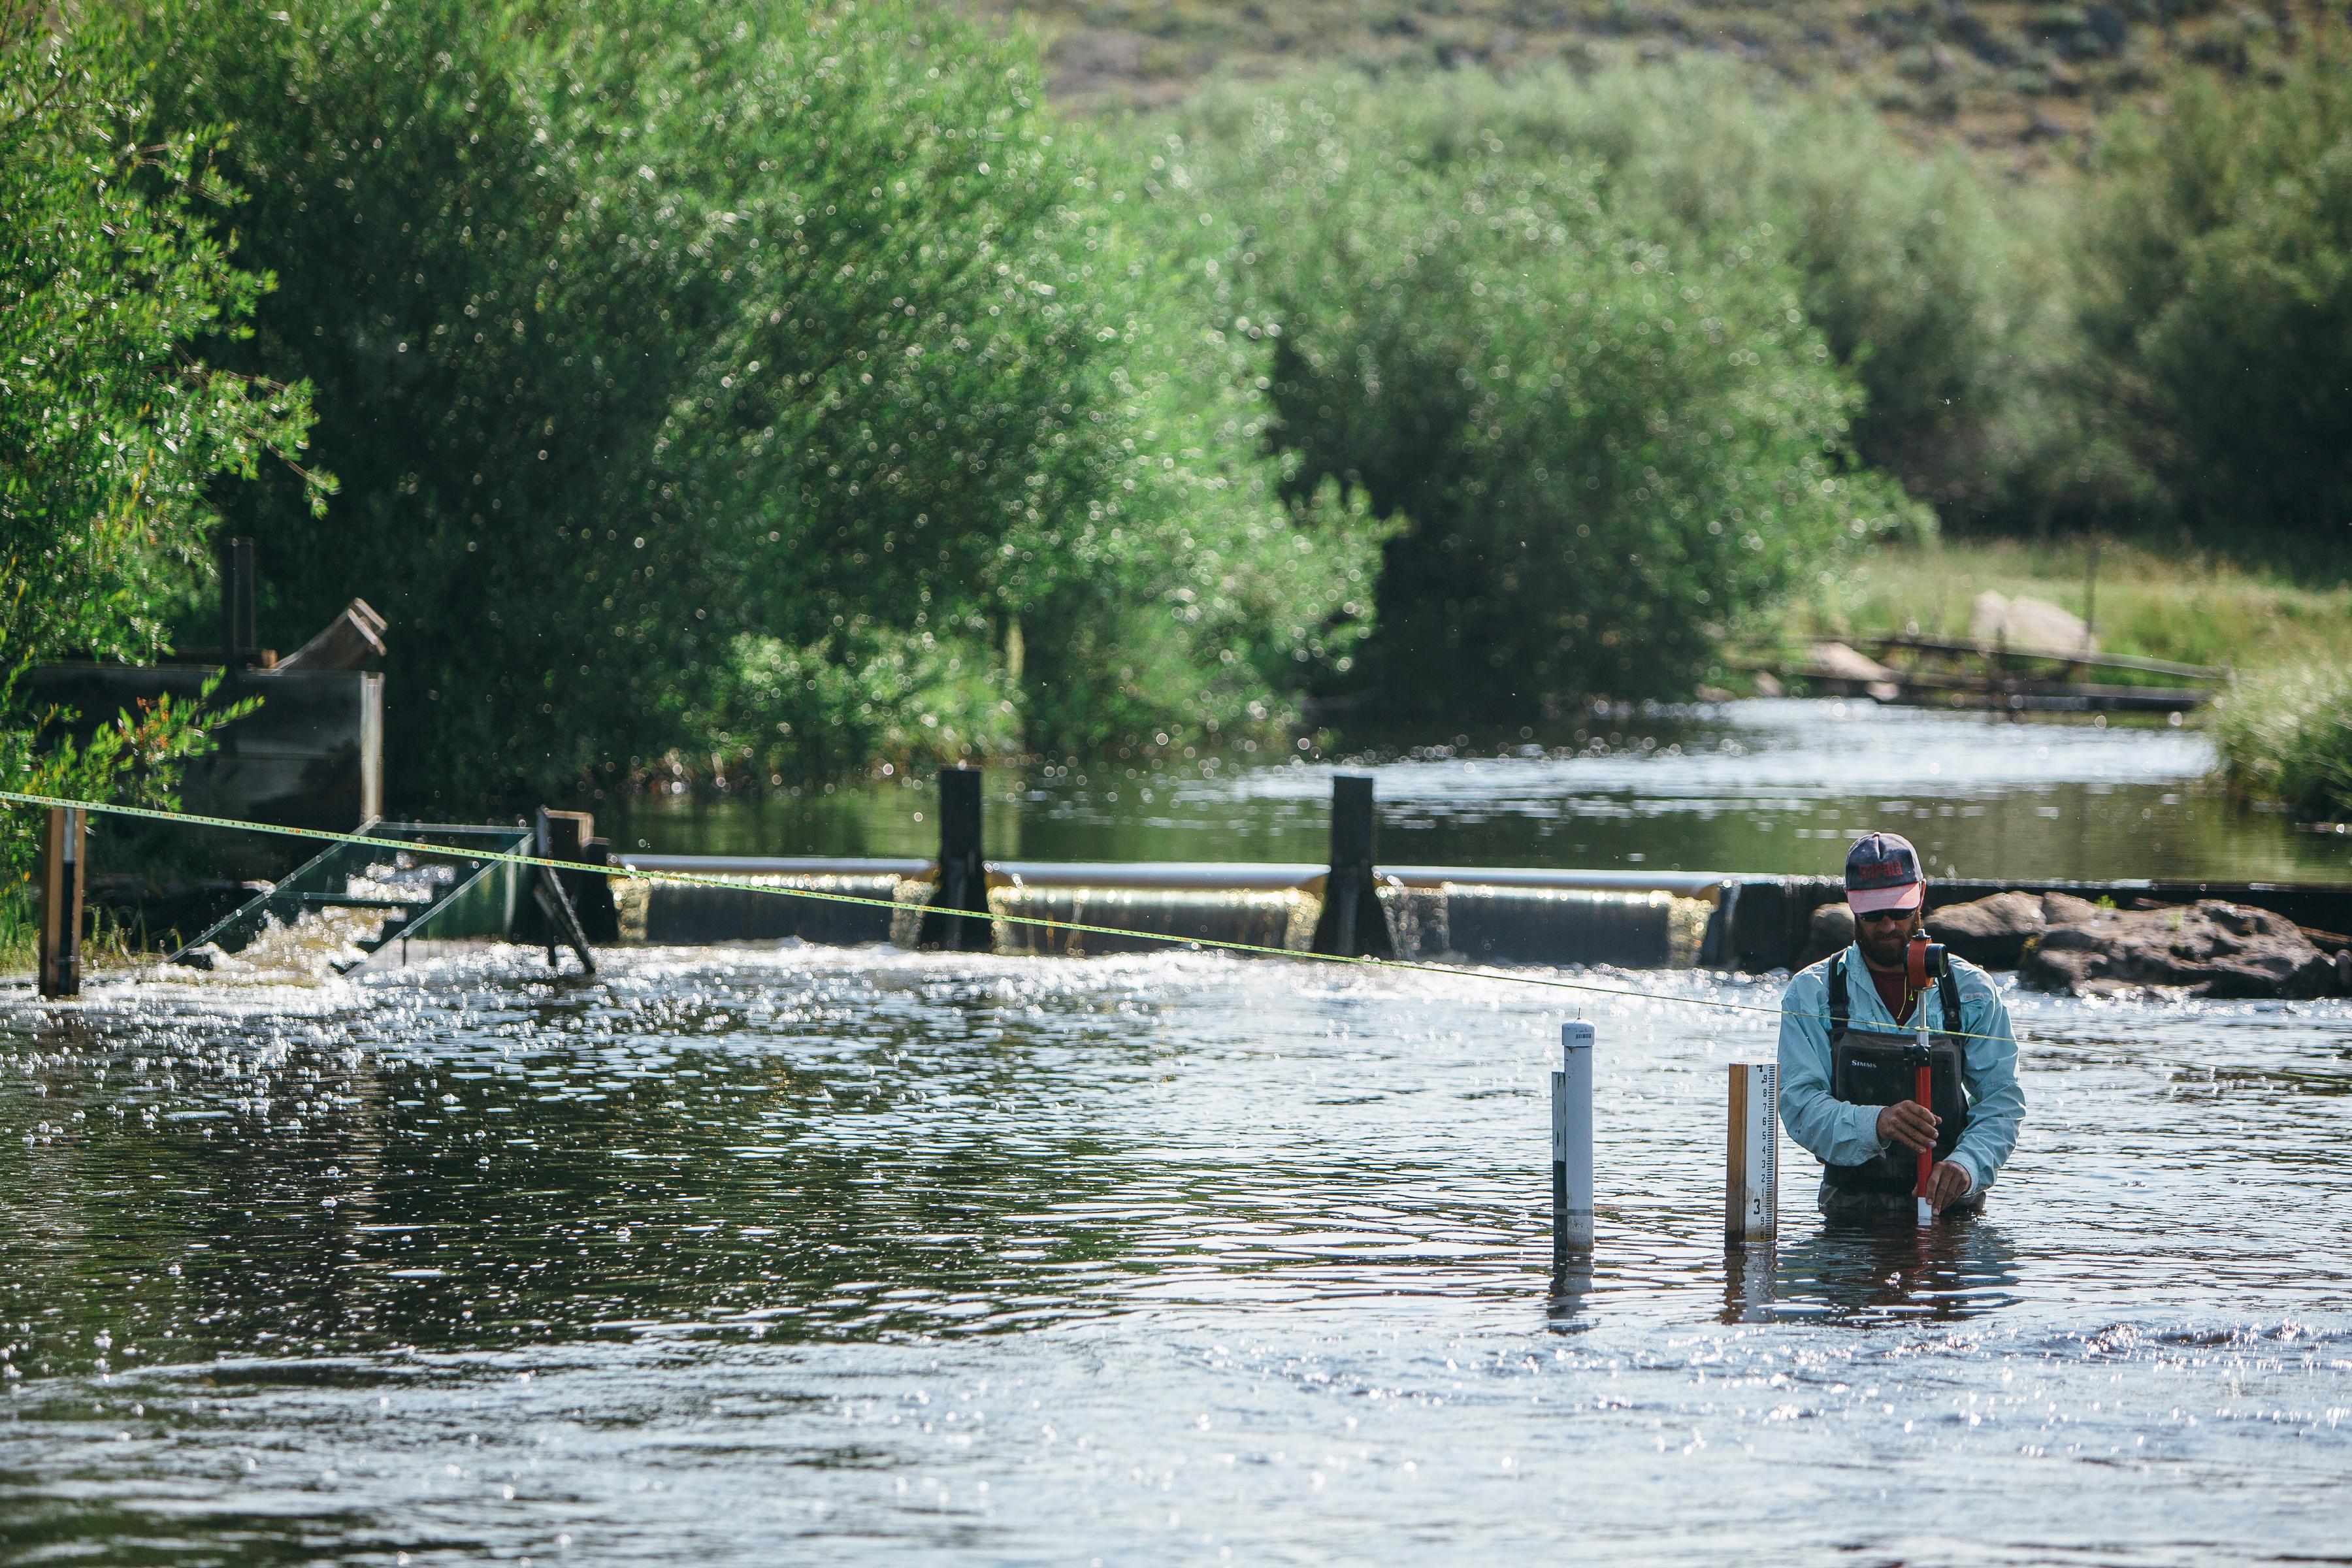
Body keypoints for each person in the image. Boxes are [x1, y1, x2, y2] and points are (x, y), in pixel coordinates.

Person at [1776, 832, 2025, 1222]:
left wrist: (1967, 1165)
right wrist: (1876, 1123)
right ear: (1851, 903)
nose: (1889, 926)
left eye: (1899, 910)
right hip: (1850, 1217)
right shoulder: (1812, 993)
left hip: (1952, 1215)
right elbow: (1800, 1104)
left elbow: (2001, 1100)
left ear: (1921, 895)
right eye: (1873, 914)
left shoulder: (1972, 992)